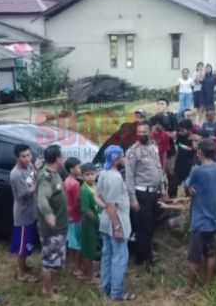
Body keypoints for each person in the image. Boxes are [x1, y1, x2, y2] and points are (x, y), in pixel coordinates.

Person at [171, 139, 216, 298]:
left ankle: (187, 289)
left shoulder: (197, 170)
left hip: (199, 221)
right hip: (214, 219)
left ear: (200, 152)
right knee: (211, 254)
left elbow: (186, 186)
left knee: (194, 257)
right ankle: (208, 285)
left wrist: (190, 188)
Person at [96, 145, 136, 301]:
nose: (124, 158)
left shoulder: (103, 173)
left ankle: (104, 287)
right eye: (122, 156)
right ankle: (117, 293)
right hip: (116, 221)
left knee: (107, 255)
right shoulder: (115, 177)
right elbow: (112, 205)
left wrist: (104, 206)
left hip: (105, 221)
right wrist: (117, 226)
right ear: (116, 158)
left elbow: (97, 196)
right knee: (119, 257)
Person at [125, 122, 164, 269]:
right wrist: (133, 199)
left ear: (150, 133)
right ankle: (145, 259)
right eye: (139, 132)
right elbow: (129, 177)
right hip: (141, 195)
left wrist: (163, 188)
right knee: (143, 228)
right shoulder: (133, 151)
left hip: (155, 193)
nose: (141, 134)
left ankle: (147, 251)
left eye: (144, 131)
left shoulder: (153, 146)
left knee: (152, 225)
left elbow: (158, 167)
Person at [36, 145, 68, 302]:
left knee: (51, 259)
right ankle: (50, 294)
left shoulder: (54, 173)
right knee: (49, 262)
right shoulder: (46, 177)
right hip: (51, 229)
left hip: (59, 226)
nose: (62, 158)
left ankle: (45, 287)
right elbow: (42, 199)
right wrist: (49, 215)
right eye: (61, 156)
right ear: (57, 158)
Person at [10, 144, 39, 283]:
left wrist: (37, 170)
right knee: (22, 245)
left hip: (32, 211)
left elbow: (35, 176)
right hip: (22, 214)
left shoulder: (30, 166)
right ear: (17, 158)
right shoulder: (16, 174)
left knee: (28, 242)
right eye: (23, 156)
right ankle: (21, 273)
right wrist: (37, 184)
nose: (27, 158)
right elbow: (26, 194)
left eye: (29, 155)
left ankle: (25, 265)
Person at [79, 163, 101, 285]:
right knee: (88, 250)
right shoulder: (83, 190)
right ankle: (89, 277)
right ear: (82, 177)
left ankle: (90, 272)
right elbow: (86, 210)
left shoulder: (96, 186)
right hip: (89, 224)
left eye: (92, 174)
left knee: (94, 249)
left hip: (97, 222)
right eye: (87, 175)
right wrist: (98, 222)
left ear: (96, 174)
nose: (90, 177)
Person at [63, 157, 84, 279]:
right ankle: (76, 268)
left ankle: (72, 265)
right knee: (77, 245)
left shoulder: (67, 181)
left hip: (69, 215)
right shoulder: (75, 184)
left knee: (72, 243)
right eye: (79, 167)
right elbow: (78, 202)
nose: (80, 169)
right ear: (72, 169)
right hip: (76, 216)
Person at [171, 119, 196, 198]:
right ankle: (172, 199)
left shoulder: (194, 138)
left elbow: (194, 149)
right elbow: (178, 144)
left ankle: (188, 201)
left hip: (189, 163)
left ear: (189, 129)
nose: (181, 131)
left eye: (183, 129)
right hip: (179, 162)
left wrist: (189, 146)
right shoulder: (180, 136)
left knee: (188, 185)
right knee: (173, 183)